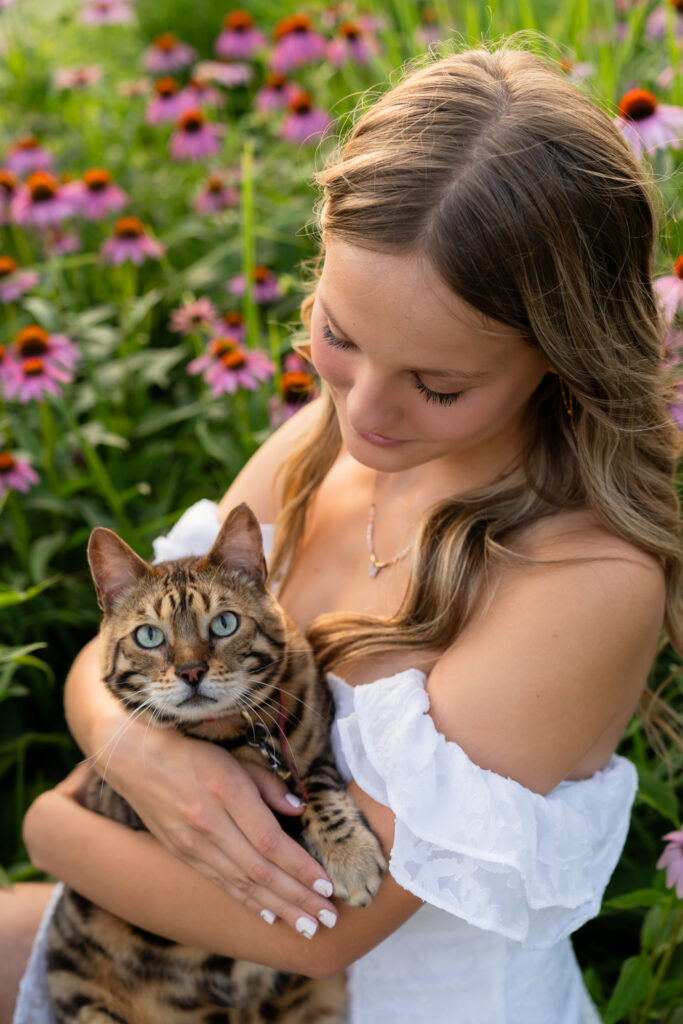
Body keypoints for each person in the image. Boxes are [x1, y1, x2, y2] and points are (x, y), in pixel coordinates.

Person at [3, 41, 681, 1024]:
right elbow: (121, 648)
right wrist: (137, 752)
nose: (363, 411)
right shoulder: (317, 450)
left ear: (559, 357)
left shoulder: (578, 582)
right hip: (166, 980)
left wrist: (47, 823)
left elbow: (317, 920)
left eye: (437, 385)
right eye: (338, 334)